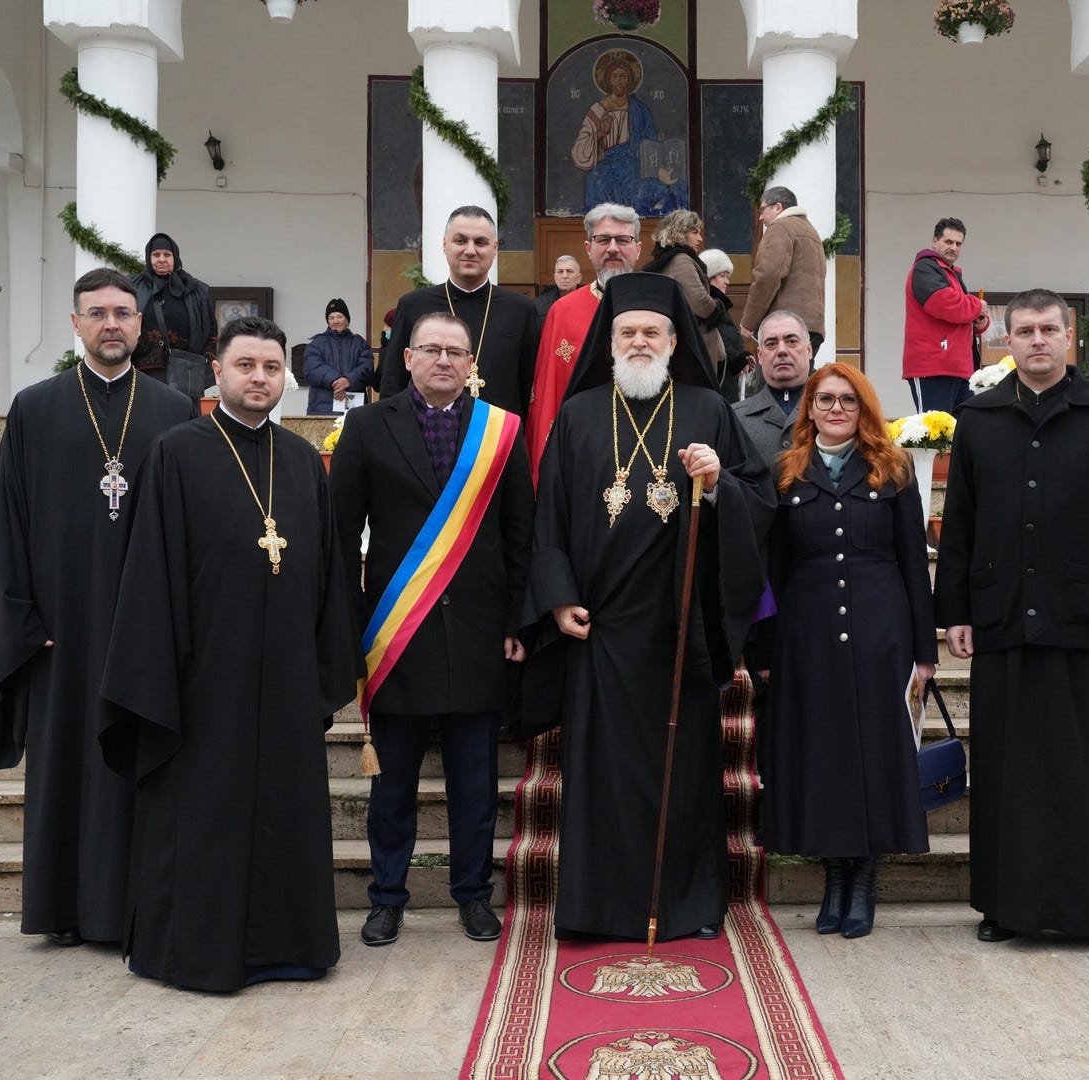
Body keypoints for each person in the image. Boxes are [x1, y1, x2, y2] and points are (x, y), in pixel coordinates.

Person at [99, 316, 360, 991]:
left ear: (285, 377)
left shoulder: (302, 460)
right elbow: (149, 573)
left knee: (285, 813)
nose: (259, 378)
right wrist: (164, 675)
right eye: (246, 365)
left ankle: (290, 948)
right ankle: (195, 952)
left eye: (271, 367)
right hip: (204, 680)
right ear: (217, 372)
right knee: (205, 817)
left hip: (288, 677)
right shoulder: (176, 453)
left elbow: (327, 574)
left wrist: (323, 669)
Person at [521, 272, 775, 942]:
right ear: (610, 343)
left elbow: (758, 497)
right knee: (601, 776)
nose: (639, 341)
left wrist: (716, 484)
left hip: (678, 630)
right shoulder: (579, 414)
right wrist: (558, 598)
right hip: (599, 630)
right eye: (628, 332)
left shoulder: (707, 409)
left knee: (681, 772)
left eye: (651, 332)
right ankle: (596, 909)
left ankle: (688, 905)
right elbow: (548, 517)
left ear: (673, 341)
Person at [0, 268, 196, 948]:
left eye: (122, 312)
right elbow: (6, 525)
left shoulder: (173, 411)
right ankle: (64, 909)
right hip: (61, 634)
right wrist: (21, 619)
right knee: (66, 767)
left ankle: (137, 909)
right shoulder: (35, 409)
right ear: (75, 324)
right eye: (96, 313)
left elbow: (194, 527)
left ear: (140, 323)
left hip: (145, 630)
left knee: (141, 765)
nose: (111, 324)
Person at [935, 287, 1089, 951]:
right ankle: (1004, 905)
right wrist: (954, 609)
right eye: (1025, 330)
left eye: (1048, 329)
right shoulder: (979, 418)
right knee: (1006, 770)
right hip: (1002, 616)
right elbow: (960, 523)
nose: (1037, 340)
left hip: (1085, 619)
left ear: (1069, 337)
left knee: (1087, 769)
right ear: (1006, 341)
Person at [331, 311, 533, 948]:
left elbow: (521, 534)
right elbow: (341, 534)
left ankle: (472, 895)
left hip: (478, 634)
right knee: (392, 786)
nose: (444, 360)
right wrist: (350, 621)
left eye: (456, 351)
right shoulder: (367, 426)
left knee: (475, 785)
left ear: (471, 363)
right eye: (431, 349)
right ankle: (387, 898)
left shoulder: (500, 430)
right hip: (397, 633)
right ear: (408, 357)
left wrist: (516, 620)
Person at [758, 363, 937, 939]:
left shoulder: (892, 469)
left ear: (864, 410)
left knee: (872, 755)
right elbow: (772, 571)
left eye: (848, 401)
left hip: (881, 632)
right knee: (822, 756)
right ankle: (834, 878)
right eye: (825, 400)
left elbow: (914, 563)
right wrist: (766, 649)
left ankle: (862, 882)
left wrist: (924, 650)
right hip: (806, 635)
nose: (836, 409)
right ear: (809, 409)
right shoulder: (786, 471)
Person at [379, 206, 539, 411]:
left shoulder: (521, 309)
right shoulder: (413, 306)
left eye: (480, 242)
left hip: (497, 429)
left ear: (495, 248)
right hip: (424, 429)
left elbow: (528, 387)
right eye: (460, 241)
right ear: (445, 245)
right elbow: (393, 384)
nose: (470, 251)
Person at [526, 203, 640, 484]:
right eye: (603, 239)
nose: (612, 248)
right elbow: (548, 395)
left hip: (647, 449)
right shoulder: (563, 312)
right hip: (583, 454)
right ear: (588, 248)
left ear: (638, 247)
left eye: (622, 239)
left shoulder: (659, 309)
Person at [571, 48, 687, 216]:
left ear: (629, 81)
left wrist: (656, 169)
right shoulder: (597, 110)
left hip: (633, 164)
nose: (619, 81)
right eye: (615, 76)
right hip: (605, 165)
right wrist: (600, 134)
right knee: (597, 181)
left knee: (654, 188)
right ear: (608, 80)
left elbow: (650, 144)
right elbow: (580, 153)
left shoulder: (639, 110)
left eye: (623, 76)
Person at [902, 217, 990, 413]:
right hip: (933, 367)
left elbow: (961, 312)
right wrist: (977, 306)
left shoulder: (951, 273)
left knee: (963, 428)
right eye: (948, 242)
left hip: (959, 368)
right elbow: (946, 305)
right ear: (935, 241)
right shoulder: (925, 267)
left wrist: (978, 320)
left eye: (958, 243)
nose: (953, 248)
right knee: (936, 430)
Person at [644, 210, 728, 389]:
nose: (700, 239)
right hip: (694, 343)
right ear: (679, 233)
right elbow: (700, 302)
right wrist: (718, 307)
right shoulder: (681, 260)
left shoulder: (669, 259)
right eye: (694, 232)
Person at [740, 186, 827, 355]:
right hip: (812, 328)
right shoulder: (812, 232)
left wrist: (749, 321)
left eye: (763, 210)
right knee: (801, 372)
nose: (760, 217)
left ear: (778, 207)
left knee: (771, 372)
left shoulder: (780, 227)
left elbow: (767, 276)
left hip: (785, 327)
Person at [131, 232, 218, 397]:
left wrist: (205, 366)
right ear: (149, 258)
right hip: (143, 372)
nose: (161, 259)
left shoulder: (196, 289)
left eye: (167, 255)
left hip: (185, 373)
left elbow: (211, 331)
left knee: (183, 413)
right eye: (156, 255)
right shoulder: (133, 287)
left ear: (175, 257)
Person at [731, 310, 814, 469]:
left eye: (791, 341)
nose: (782, 350)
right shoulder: (735, 418)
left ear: (809, 350)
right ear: (760, 356)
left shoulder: (836, 411)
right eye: (771, 344)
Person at [303, 297, 374, 414]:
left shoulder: (360, 343)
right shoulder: (316, 343)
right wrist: (336, 381)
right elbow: (312, 368)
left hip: (354, 409)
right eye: (331, 318)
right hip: (322, 410)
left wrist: (349, 380)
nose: (335, 321)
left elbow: (367, 368)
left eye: (339, 317)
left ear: (347, 320)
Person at [700, 248, 754, 402]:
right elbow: (720, 336)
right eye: (723, 276)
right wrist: (738, 362)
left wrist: (743, 356)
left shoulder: (715, 303)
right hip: (719, 382)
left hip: (724, 378)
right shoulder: (711, 305)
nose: (727, 281)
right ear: (709, 277)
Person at [535, 255, 583, 323]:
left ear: (579, 278)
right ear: (555, 277)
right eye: (560, 272)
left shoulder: (589, 303)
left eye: (569, 271)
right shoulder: (539, 304)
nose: (565, 276)